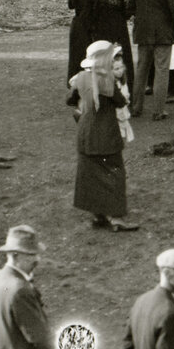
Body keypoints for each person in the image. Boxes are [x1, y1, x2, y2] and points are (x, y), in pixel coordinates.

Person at [71, 40, 137, 232]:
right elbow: (120, 101)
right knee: (115, 174)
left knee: (90, 175)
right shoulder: (107, 80)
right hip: (106, 135)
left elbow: (70, 99)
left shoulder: (81, 77)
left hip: (85, 134)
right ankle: (116, 218)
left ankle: (98, 215)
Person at [129, 0, 174, 121]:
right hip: (163, 32)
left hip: (143, 31)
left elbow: (131, 7)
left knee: (141, 69)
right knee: (162, 70)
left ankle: (136, 107)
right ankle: (158, 110)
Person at [90, 0, 135, 88]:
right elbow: (128, 10)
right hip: (118, 27)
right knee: (122, 55)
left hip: (101, 26)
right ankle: (125, 85)